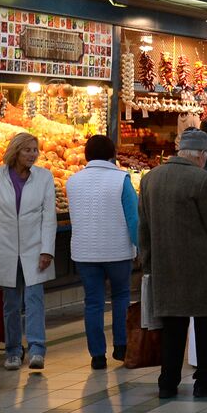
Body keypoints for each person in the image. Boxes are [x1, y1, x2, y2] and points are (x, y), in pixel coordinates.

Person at [139, 128, 207, 399]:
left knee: (172, 326)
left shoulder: (150, 179)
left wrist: (147, 262)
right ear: (202, 155)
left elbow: (143, 226)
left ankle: (167, 382)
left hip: (164, 262)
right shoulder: (203, 180)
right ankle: (205, 380)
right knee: (204, 323)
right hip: (198, 264)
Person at [0, 132, 57, 371]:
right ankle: (13, 351)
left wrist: (47, 250)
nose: (33, 155)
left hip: (35, 247)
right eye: (28, 150)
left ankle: (37, 349)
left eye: (35, 150)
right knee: (11, 302)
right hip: (4, 247)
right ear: (16, 151)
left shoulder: (44, 177)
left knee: (34, 299)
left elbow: (49, 217)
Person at [65, 135, 140, 370]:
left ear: (86, 154)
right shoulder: (121, 180)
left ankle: (97, 355)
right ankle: (120, 346)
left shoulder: (73, 181)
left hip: (84, 251)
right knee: (120, 297)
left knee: (93, 302)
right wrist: (138, 247)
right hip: (117, 250)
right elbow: (133, 218)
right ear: (113, 154)